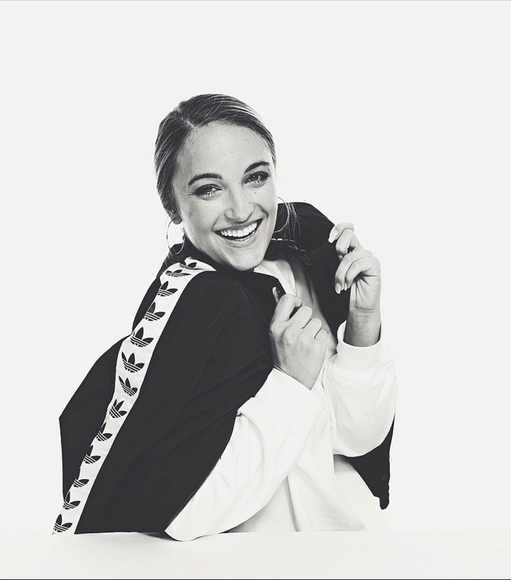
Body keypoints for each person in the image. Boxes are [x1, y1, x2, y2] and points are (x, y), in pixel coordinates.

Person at [53, 94, 397, 540]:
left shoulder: (305, 252)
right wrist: (290, 383)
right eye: (209, 189)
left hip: (356, 553)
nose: (240, 210)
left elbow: (356, 436)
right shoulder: (195, 305)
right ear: (173, 206)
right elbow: (185, 510)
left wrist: (363, 320)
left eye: (255, 178)